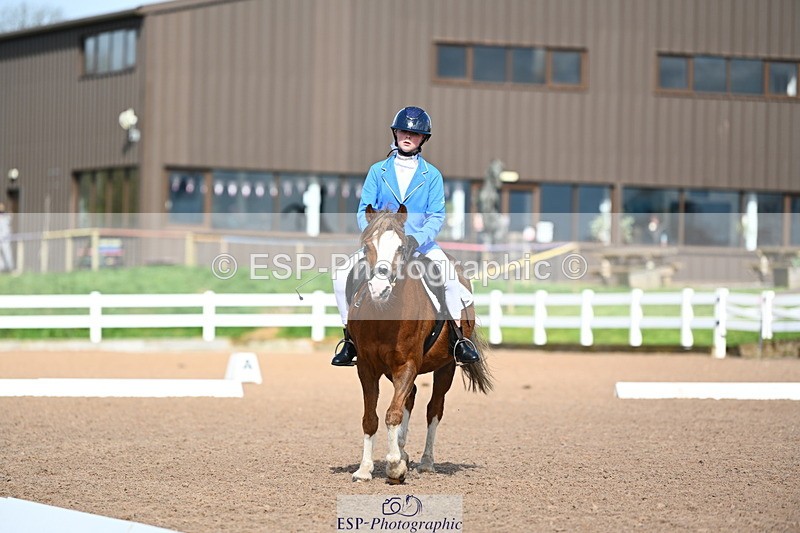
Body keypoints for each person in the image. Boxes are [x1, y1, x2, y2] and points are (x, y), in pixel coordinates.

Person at [331, 106, 480, 367]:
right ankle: (349, 339)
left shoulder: (432, 175)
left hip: (420, 244)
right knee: (340, 275)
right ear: (395, 133)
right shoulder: (377, 171)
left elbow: (436, 216)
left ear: (423, 139)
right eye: (403, 131)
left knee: (449, 279)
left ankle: (459, 341)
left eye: (415, 133)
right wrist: (375, 236)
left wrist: (416, 239)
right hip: (383, 244)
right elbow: (364, 210)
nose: (408, 136)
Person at [0, 203, 14, 273]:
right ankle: (2, 268)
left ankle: (10, 268)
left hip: (5, 238)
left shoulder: (6, 216)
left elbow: (11, 216)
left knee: (7, 253)